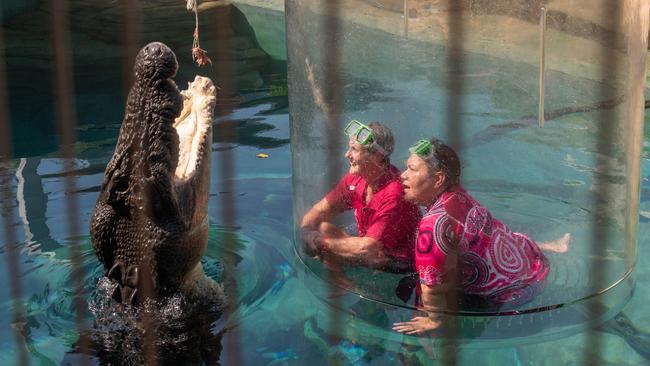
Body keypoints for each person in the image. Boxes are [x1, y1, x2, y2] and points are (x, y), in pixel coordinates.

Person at [393, 138, 570, 335]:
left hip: (509, 296)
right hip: (532, 265)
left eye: (412, 169)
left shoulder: (432, 228)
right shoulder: (458, 197)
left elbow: (432, 289)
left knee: (407, 288)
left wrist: (434, 320)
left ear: (438, 179)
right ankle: (552, 245)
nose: (403, 175)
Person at [301, 120, 421, 273]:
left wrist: (321, 244)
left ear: (377, 156)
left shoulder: (393, 192)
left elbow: (368, 247)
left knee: (326, 247)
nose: (347, 154)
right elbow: (319, 211)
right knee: (323, 227)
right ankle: (341, 278)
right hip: (371, 248)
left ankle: (345, 284)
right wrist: (306, 232)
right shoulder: (356, 179)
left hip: (398, 262)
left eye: (354, 149)